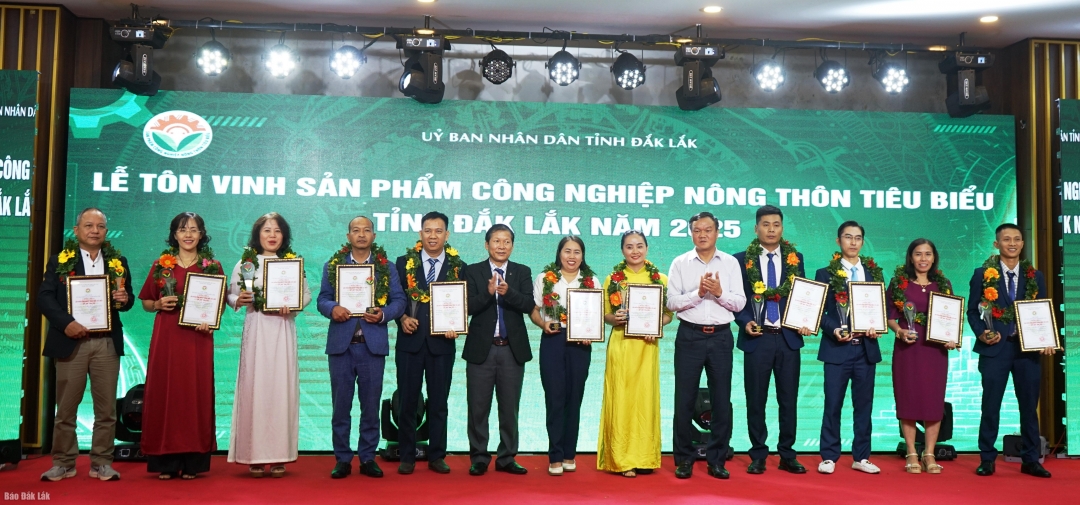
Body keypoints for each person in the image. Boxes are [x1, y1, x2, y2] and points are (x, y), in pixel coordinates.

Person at [38, 208, 133, 482]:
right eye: (88, 225)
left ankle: (102, 462)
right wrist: (66, 323)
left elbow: (127, 301)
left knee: (106, 411)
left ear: (106, 231)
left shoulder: (118, 262)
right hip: (71, 342)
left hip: (105, 344)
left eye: (100, 226)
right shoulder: (59, 261)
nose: (94, 230)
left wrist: (124, 299)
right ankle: (63, 462)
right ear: (76, 230)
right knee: (66, 410)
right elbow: (45, 298)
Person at [318, 216, 406, 479]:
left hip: (372, 346)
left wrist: (383, 314)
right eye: (356, 230)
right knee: (340, 407)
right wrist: (332, 308)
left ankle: (367, 457)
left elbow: (399, 301)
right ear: (348, 236)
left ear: (373, 236)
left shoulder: (386, 268)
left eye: (366, 230)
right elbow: (322, 299)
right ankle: (342, 459)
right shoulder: (333, 266)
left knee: (370, 406)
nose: (361, 234)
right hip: (341, 347)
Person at [226, 212, 311, 478]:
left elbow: (305, 294)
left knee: (280, 389)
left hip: (283, 330)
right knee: (255, 388)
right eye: (266, 230)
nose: (272, 235)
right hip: (257, 329)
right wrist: (238, 299)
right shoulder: (246, 263)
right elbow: (230, 294)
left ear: (284, 236)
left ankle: (278, 456)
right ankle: (252, 455)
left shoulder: (291, 263)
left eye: (277, 230)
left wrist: (293, 305)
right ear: (257, 235)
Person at [139, 212, 223, 480]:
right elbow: (146, 302)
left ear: (202, 235)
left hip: (198, 338)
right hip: (167, 337)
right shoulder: (161, 265)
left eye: (194, 229)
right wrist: (157, 304)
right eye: (183, 229)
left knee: (194, 395)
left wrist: (210, 320)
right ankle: (165, 461)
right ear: (174, 234)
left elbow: (219, 305)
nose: (188, 234)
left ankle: (192, 462)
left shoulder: (211, 266)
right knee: (166, 392)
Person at [967, 223, 1053, 478]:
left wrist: (1046, 338)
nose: (1012, 243)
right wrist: (981, 333)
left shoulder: (1035, 276)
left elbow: (1042, 310)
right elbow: (972, 311)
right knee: (990, 406)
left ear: (1022, 244)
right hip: (995, 349)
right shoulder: (982, 274)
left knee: (1029, 407)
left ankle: (1031, 459)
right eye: (1006, 239)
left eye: (1016, 239)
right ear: (997, 244)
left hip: (1027, 351)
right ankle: (987, 458)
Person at [666, 211, 745, 480]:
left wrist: (719, 293)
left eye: (708, 230)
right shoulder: (680, 263)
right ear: (691, 233)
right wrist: (698, 294)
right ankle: (683, 459)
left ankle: (717, 459)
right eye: (697, 230)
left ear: (717, 232)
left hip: (721, 337)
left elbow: (739, 303)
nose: (702, 235)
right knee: (684, 399)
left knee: (721, 399)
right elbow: (672, 302)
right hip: (690, 336)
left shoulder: (731, 263)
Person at [733, 205, 809, 475]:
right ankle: (758, 454)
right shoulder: (741, 260)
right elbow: (737, 300)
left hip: (788, 339)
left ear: (782, 228)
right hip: (758, 338)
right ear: (756, 228)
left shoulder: (795, 258)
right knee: (756, 400)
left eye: (776, 224)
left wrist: (806, 319)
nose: (771, 229)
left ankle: (787, 454)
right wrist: (744, 322)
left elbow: (803, 296)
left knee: (788, 400)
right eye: (765, 224)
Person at [393, 211, 465, 475]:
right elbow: (395, 299)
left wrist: (457, 326)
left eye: (438, 231)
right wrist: (401, 318)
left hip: (442, 345)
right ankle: (407, 456)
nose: (433, 236)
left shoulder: (459, 266)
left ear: (447, 235)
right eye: (428, 230)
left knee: (439, 403)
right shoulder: (403, 263)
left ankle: (437, 455)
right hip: (409, 342)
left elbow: (462, 304)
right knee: (407, 401)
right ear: (420, 233)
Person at [597, 230, 672, 478]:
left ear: (647, 248)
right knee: (621, 399)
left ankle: (645, 457)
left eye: (639, 246)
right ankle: (622, 459)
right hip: (622, 345)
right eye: (629, 247)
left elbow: (668, 314)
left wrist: (656, 325)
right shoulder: (613, 279)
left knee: (644, 400)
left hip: (647, 347)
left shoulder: (660, 278)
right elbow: (606, 315)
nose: (635, 251)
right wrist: (614, 318)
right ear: (622, 250)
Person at [462, 224, 535, 476]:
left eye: (506, 242)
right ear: (486, 245)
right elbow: (467, 306)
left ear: (512, 246)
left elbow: (528, 304)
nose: (501, 246)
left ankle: (506, 457)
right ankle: (479, 457)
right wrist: (488, 292)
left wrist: (508, 292)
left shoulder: (522, 271)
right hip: (481, 350)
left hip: (511, 350)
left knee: (509, 408)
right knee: (477, 407)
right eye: (496, 241)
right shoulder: (473, 271)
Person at [813, 221, 883, 475]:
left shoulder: (873, 274)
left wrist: (876, 326)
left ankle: (861, 456)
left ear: (863, 241)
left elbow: (880, 309)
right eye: (848, 237)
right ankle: (829, 456)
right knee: (833, 404)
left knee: (864, 406)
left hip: (866, 349)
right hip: (836, 349)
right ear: (838, 241)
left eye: (858, 238)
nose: (853, 242)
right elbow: (819, 311)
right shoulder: (825, 273)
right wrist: (834, 329)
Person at [530, 236, 601, 476]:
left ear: (583, 255)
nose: (572, 256)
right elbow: (534, 310)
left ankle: (570, 454)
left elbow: (596, 314)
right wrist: (542, 324)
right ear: (559, 253)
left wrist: (590, 333)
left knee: (574, 398)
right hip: (553, 339)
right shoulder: (545, 278)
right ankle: (555, 456)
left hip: (580, 343)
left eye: (577, 252)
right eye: (567, 251)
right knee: (555, 397)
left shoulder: (591, 281)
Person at [886, 238, 956, 474]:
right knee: (908, 398)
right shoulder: (899, 283)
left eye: (928, 254)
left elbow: (951, 317)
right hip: (908, 349)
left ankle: (929, 453)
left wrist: (951, 337)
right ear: (911, 257)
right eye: (918, 254)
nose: (923, 258)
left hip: (935, 351)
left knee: (932, 400)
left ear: (934, 257)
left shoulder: (943, 284)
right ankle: (911, 453)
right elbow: (889, 317)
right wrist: (900, 331)